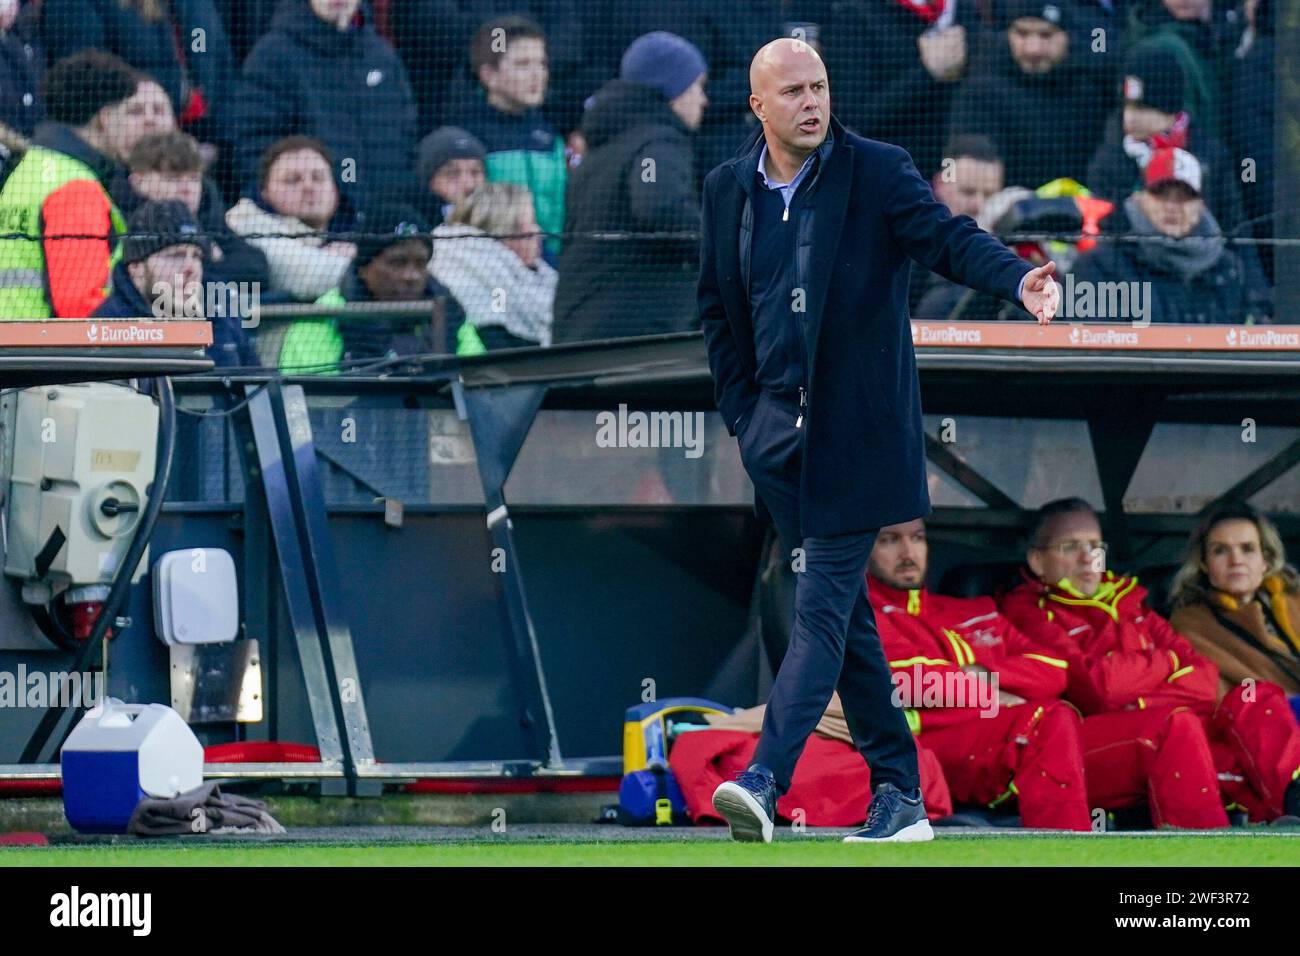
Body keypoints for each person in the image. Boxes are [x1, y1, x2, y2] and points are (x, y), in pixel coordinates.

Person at [701, 38, 1060, 844]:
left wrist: (1016, 276)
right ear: (758, 106)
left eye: (819, 86)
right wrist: (743, 417)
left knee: (821, 607)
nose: (811, 102)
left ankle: (763, 779)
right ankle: (900, 794)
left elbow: (946, 236)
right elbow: (717, 313)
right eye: (792, 90)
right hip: (776, 437)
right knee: (851, 622)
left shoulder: (877, 168)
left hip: (858, 433)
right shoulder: (728, 188)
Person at [1000, 497, 1300, 824]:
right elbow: (1098, 687)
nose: (1089, 558)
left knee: (1254, 693)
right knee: (1183, 732)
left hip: (1181, 725)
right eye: (1070, 547)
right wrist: (1168, 663)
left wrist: (1138, 694)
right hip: (1095, 742)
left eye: (1095, 546)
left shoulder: (1131, 601)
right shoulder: (1029, 611)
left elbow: (1204, 679)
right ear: (1038, 560)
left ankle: (1292, 808)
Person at [867, 518, 1090, 830]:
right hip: (927, 752)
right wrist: (999, 698)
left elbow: (1055, 671)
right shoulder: (865, 614)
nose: (908, 552)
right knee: (1047, 718)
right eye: (889, 540)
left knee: (1059, 716)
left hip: (996, 736)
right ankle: (1067, 855)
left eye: (917, 538)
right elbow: (911, 685)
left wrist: (985, 674)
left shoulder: (976, 610)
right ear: (865, 549)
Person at [552, 32, 707, 343]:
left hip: (578, 335)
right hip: (634, 341)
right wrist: (722, 247)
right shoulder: (658, 141)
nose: (704, 99)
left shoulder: (599, 154)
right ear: (673, 90)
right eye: (698, 87)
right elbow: (660, 207)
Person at [235, 0, 417, 216]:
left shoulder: (382, 56)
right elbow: (257, 149)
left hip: (384, 228)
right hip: (309, 231)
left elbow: (407, 137)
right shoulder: (272, 57)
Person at [0, 50, 137, 319]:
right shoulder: (74, 186)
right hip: (47, 354)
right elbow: (81, 306)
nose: (137, 126)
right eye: (129, 112)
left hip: (19, 347)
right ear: (105, 118)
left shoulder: (31, 168)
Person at [1071, 147, 1266, 323]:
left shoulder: (1228, 269)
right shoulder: (1101, 265)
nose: (1172, 207)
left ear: (1200, 207)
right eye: (1160, 194)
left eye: (1183, 197)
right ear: (1139, 199)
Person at [277, 203, 466, 372]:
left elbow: (475, 382)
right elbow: (308, 398)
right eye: (397, 263)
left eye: (420, 263)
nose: (412, 276)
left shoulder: (451, 313)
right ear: (364, 268)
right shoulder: (323, 317)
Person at [947, 0, 1110, 190]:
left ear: (1067, 36)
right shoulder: (981, 90)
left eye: (1046, 35)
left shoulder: (1092, 89)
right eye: (1022, 34)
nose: (1033, 49)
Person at [1085, 45, 1244, 235]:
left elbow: (1233, 226)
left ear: (1170, 108)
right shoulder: (1110, 159)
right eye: (1126, 107)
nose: (1131, 118)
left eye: (1143, 108)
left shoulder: (1210, 156)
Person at [39, 0, 234, 149]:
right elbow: (84, 78)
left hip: (200, 147)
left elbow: (222, 71)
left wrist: (219, 142)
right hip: (129, 150)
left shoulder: (198, 6)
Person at [94, 199, 257, 367]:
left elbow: (258, 384)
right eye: (175, 256)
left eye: (196, 256)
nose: (191, 268)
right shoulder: (105, 329)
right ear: (136, 268)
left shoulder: (222, 314)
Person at [457, 15, 565, 260]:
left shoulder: (549, 135)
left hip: (551, 267)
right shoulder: (468, 139)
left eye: (542, 64)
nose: (538, 75)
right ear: (488, 75)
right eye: (523, 64)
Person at [1168, 502, 1300, 700]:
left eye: (1247, 549)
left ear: (1265, 560)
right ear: (1204, 564)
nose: (1236, 560)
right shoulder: (1191, 625)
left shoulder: (1295, 601)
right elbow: (1217, 698)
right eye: (1220, 550)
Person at [226, 135, 356, 305]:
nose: (308, 186)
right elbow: (315, 277)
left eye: (318, 178)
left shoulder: (352, 231)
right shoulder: (245, 224)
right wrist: (350, 260)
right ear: (265, 193)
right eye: (292, 180)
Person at [429, 183, 555, 353]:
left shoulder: (539, 276)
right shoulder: (495, 284)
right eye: (530, 223)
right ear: (504, 231)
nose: (538, 231)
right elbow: (500, 315)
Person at [415, 126, 486, 227]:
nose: (469, 185)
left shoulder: (502, 220)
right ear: (430, 181)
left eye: (475, 172)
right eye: (452, 173)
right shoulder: (418, 226)